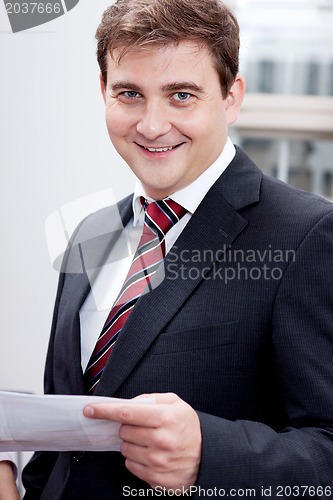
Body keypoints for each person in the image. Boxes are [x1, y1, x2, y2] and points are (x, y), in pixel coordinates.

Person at [22, 0, 333, 498]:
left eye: (181, 95)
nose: (151, 125)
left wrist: (210, 454)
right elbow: (64, 442)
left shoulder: (307, 234)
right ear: (104, 92)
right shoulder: (90, 233)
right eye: (129, 94)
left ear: (231, 98)